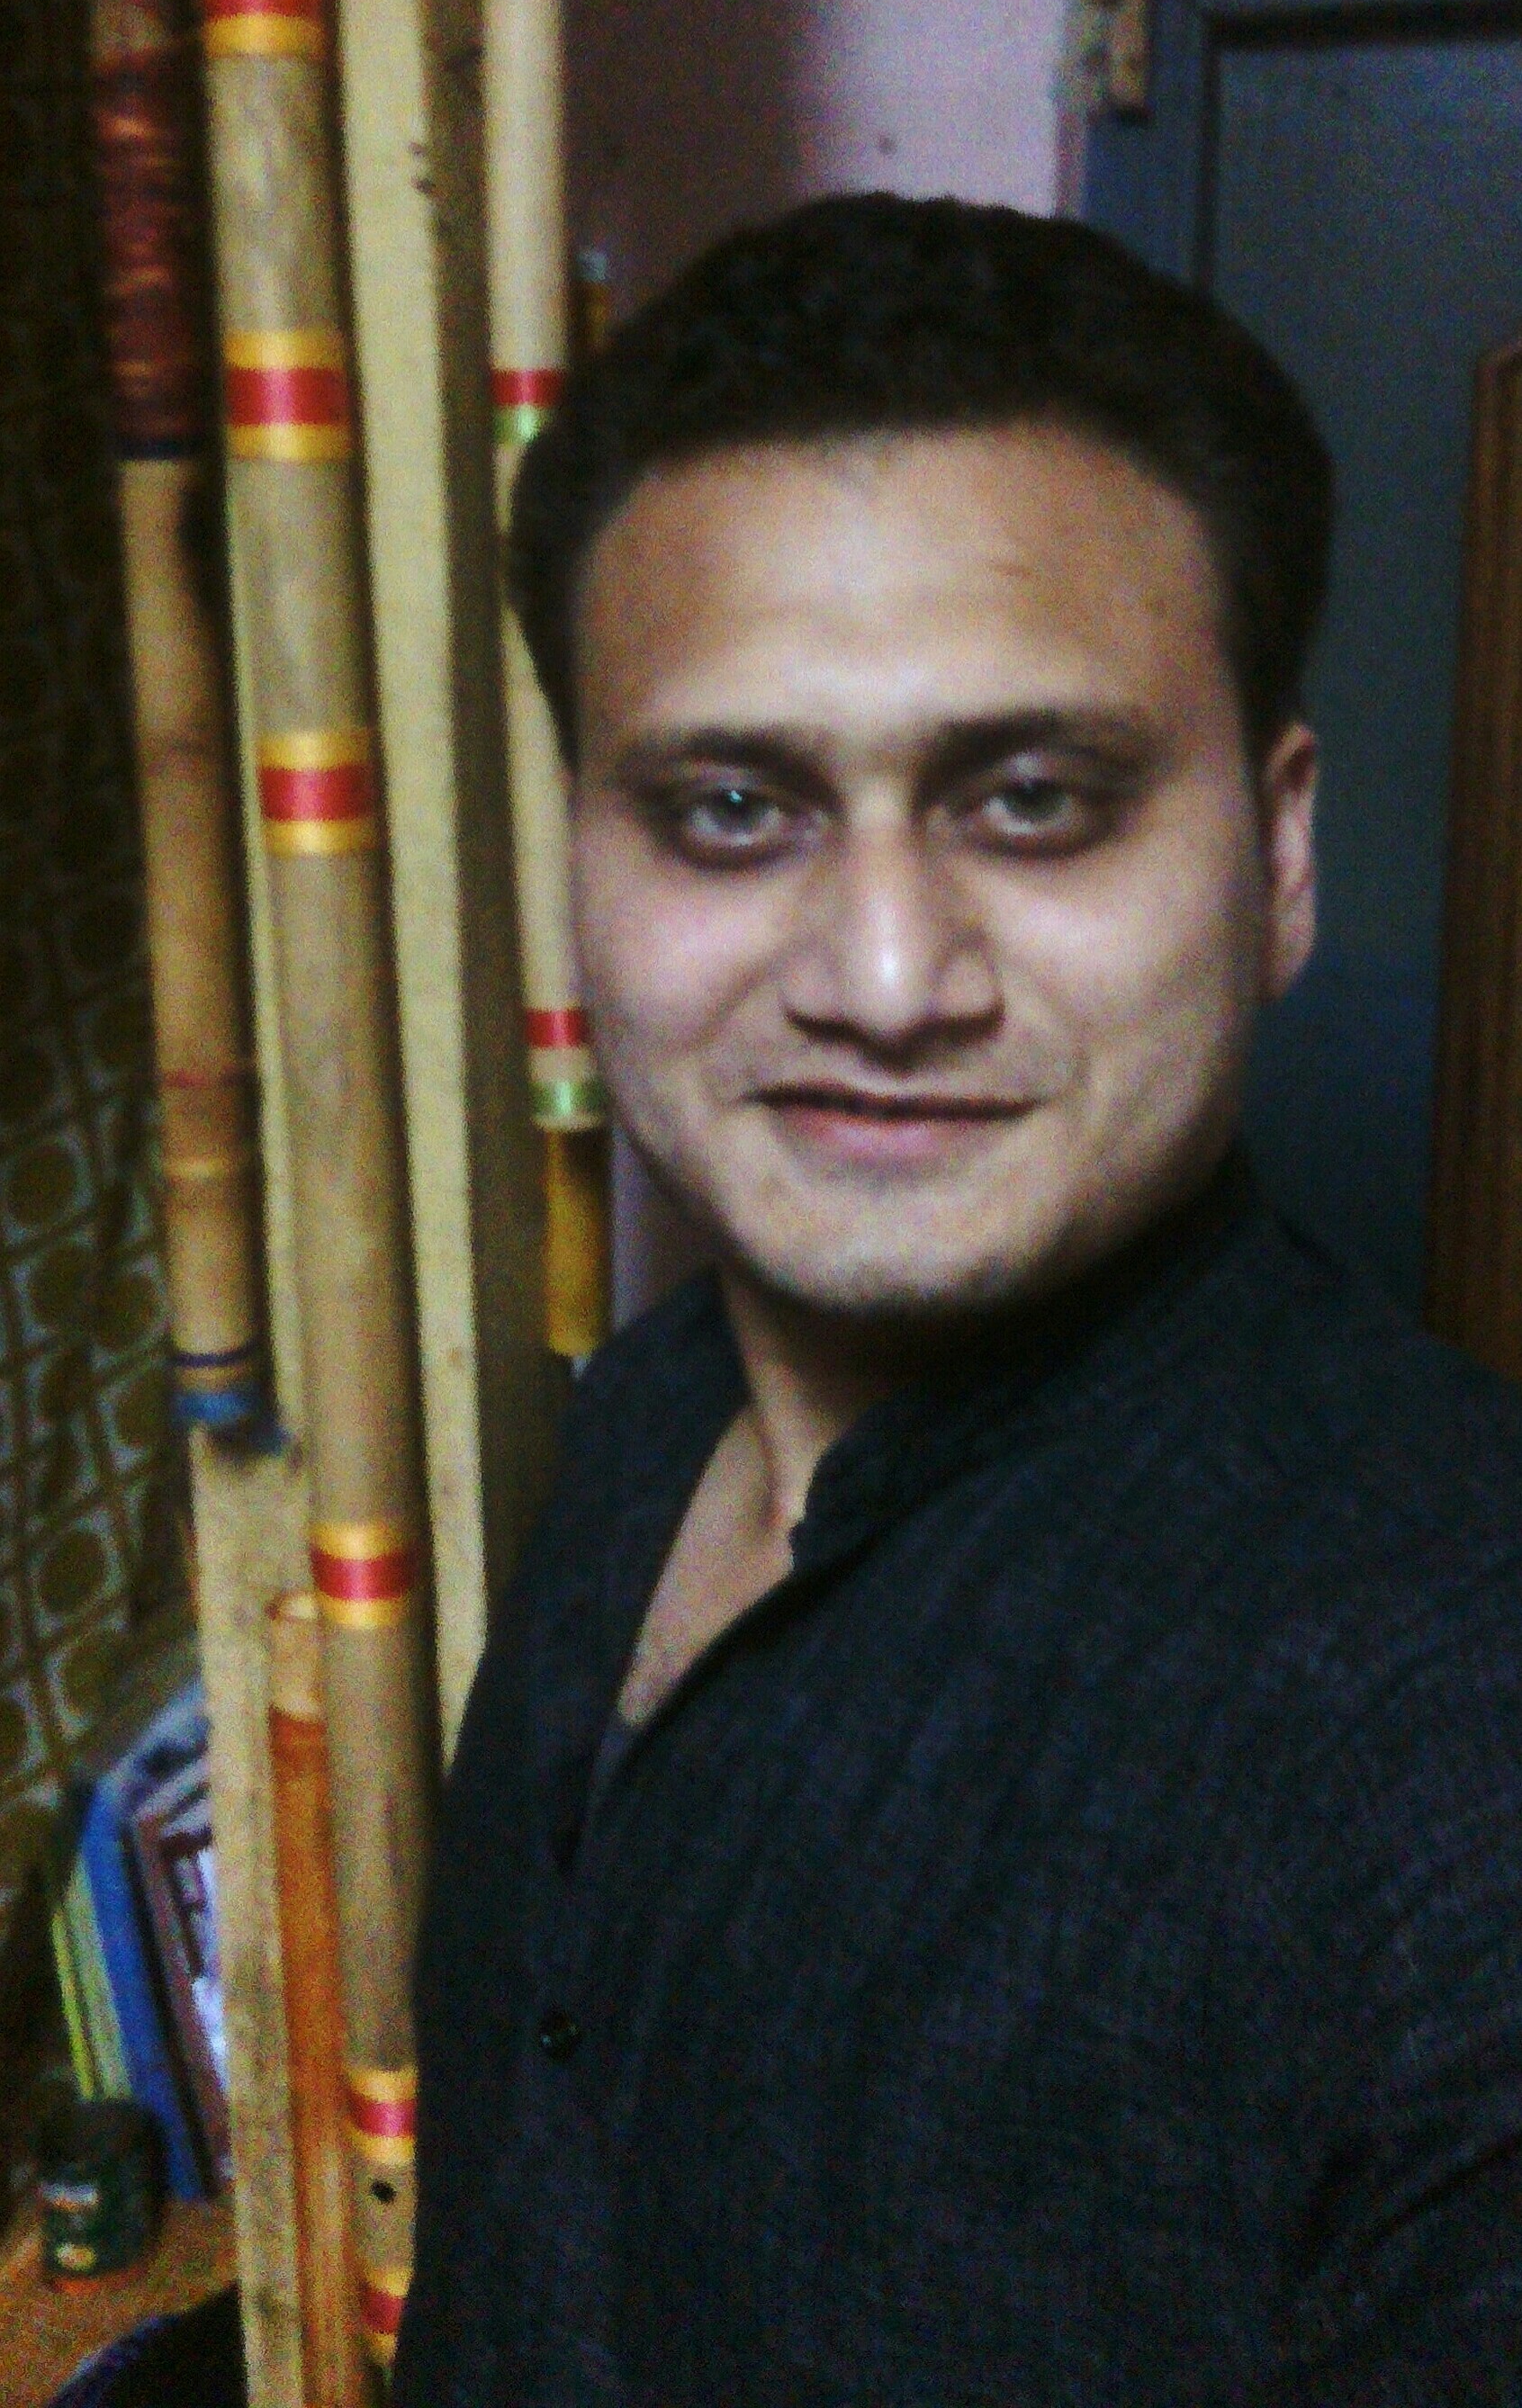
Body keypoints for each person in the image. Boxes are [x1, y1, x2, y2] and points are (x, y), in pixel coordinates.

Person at [392, 196, 1522, 2406]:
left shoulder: (1456, 1729)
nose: (887, 978)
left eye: (1034, 800)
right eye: (733, 808)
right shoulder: (633, 1420)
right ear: (578, 866)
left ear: (1282, 859)